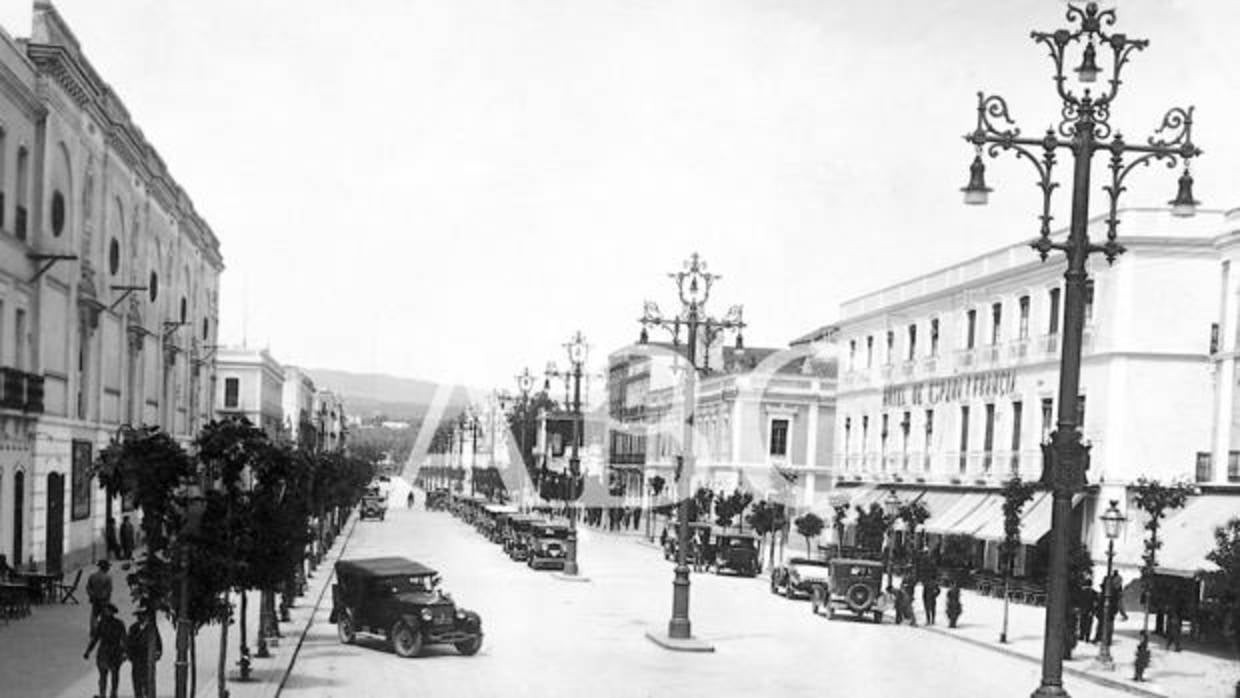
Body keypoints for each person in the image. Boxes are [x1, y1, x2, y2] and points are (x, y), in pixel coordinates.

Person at [84, 603, 126, 698]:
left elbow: (124, 639)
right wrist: (88, 651)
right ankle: (102, 694)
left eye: (108, 611)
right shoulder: (101, 623)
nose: (106, 612)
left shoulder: (119, 624)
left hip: (114, 653)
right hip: (104, 653)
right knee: (103, 676)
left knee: (114, 676)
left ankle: (113, 694)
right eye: (105, 610)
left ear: (112, 612)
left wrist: (125, 652)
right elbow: (95, 638)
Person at [126, 613, 161, 698]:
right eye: (139, 616)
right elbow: (129, 642)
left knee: (148, 682)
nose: (141, 617)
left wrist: (158, 653)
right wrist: (130, 656)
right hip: (137, 659)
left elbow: (158, 642)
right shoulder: (133, 628)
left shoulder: (152, 628)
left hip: (148, 659)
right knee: (137, 682)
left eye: (142, 615)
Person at [87, 560, 113, 633]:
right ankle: (102, 630)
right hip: (104, 600)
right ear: (106, 568)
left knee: (94, 615)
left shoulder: (92, 576)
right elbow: (109, 590)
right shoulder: (108, 577)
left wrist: (91, 595)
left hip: (95, 599)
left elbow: (88, 587)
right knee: (104, 615)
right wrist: (107, 598)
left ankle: (93, 630)